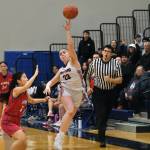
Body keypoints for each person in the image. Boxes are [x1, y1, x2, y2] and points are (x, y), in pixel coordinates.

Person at [44, 20, 85, 150]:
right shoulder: (61, 70)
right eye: (60, 54)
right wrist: (48, 85)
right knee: (71, 110)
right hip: (66, 93)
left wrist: (68, 31)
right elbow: (52, 81)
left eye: (64, 52)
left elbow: (71, 46)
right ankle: (59, 138)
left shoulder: (74, 63)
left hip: (78, 93)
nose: (62, 54)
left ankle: (61, 131)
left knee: (70, 115)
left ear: (68, 54)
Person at [1, 65, 49, 150]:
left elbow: (32, 101)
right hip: (8, 121)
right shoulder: (16, 90)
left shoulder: (24, 92)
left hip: (16, 121)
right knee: (22, 139)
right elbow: (26, 86)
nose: (27, 79)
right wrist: (35, 74)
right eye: (25, 77)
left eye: (27, 77)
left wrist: (44, 100)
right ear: (18, 81)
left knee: (24, 143)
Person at [87, 45, 122, 147]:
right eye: (105, 51)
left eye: (109, 51)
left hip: (110, 92)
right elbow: (88, 76)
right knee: (101, 114)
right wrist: (89, 86)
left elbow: (120, 80)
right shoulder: (95, 63)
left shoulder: (116, 63)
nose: (106, 53)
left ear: (111, 54)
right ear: (102, 52)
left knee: (105, 116)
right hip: (98, 92)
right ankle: (102, 139)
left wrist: (111, 80)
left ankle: (100, 131)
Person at [0, 61, 12, 133]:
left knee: (4, 111)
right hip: (1, 95)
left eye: (4, 66)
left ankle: (2, 128)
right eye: (1, 66)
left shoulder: (11, 75)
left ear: (7, 67)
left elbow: (13, 87)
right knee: (0, 112)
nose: (3, 67)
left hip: (8, 96)